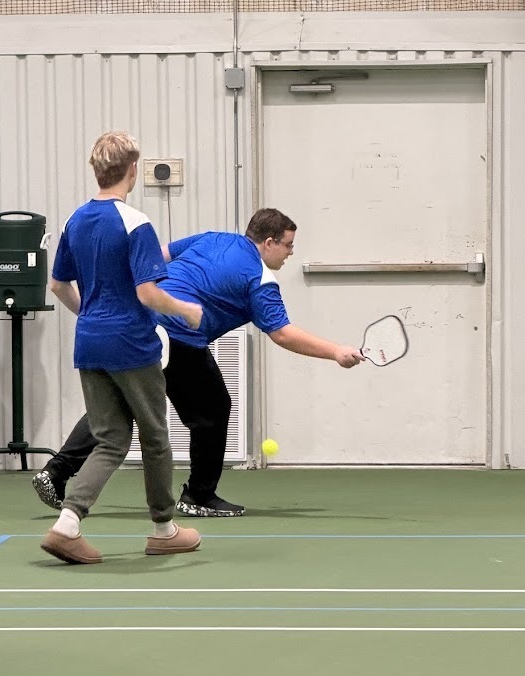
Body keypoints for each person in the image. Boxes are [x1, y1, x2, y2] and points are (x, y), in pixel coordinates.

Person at [33, 207, 363, 519]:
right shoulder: (259, 279)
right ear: (269, 242)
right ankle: (199, 496)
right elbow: (282, 334)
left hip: (140, 324)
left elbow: (157, 256)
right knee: (213, 409)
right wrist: (336, 351)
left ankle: (56, 471)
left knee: (119, 405)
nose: (290, 252)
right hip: (179, 338)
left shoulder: (213, 238)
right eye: (288, 245)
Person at [40, 130, 203, 565]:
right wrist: (186, 310)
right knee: (155, 437)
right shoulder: (135, 223)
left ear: (97, 170)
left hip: (89, 342)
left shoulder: (75, 221)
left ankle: (67, 524)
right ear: (132, 169)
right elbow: (148, 293)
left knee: (110, 439)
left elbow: (57, 285)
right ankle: (164, 530)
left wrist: (93, 317)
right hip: (132, 343)